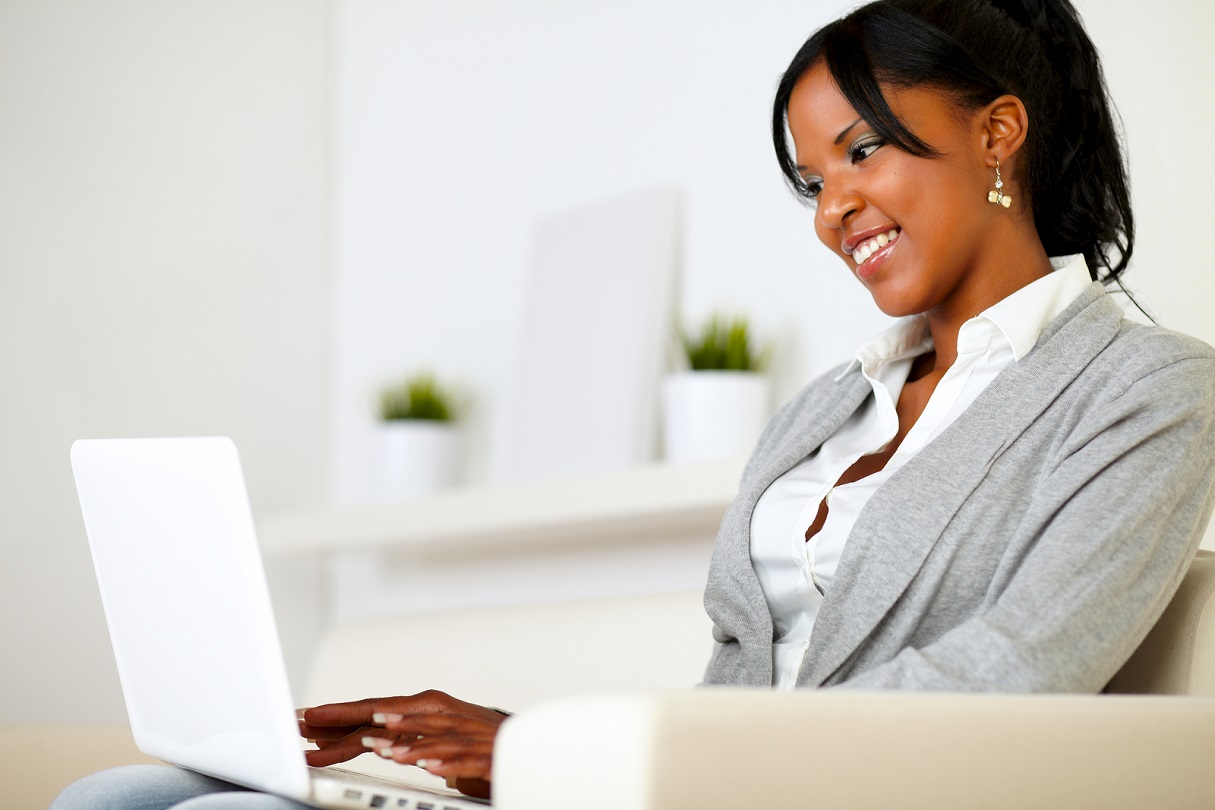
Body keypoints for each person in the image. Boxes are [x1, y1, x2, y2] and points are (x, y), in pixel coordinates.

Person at [52, 0, 1215, 806]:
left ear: (998, 131)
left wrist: (561, 754)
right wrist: (520, 751)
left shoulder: (1147, 390)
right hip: (695, 788)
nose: (832, 211)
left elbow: (1012, 677)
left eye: (863, 153)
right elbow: (736, 679)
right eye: (813, 181)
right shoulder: (828, 408)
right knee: (122, 793)